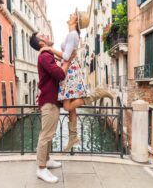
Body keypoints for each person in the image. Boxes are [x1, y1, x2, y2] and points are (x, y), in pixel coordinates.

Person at [39, 10, 114, 152]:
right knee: (70, 107)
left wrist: (50, 49)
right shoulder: (71, 34)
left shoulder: (73, 35)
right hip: (70, 70)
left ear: (76, 21)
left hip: (71, 72)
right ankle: (73, 137)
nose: (70, 15)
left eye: (73, 15)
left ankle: (97, 93)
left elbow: (67, 56)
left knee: (67, 107)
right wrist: (55, 57)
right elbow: (66, 56)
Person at [30, 32, 76, 183]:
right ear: (41, 42)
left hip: (52, 100)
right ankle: (41, 168)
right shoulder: (44, 57)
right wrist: (67, 62)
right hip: (49, 101)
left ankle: (47, 159)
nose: (46, 34)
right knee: (45, 135)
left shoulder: (48, 55)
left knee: (49, 133)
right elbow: (60, 74)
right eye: (43, 35)